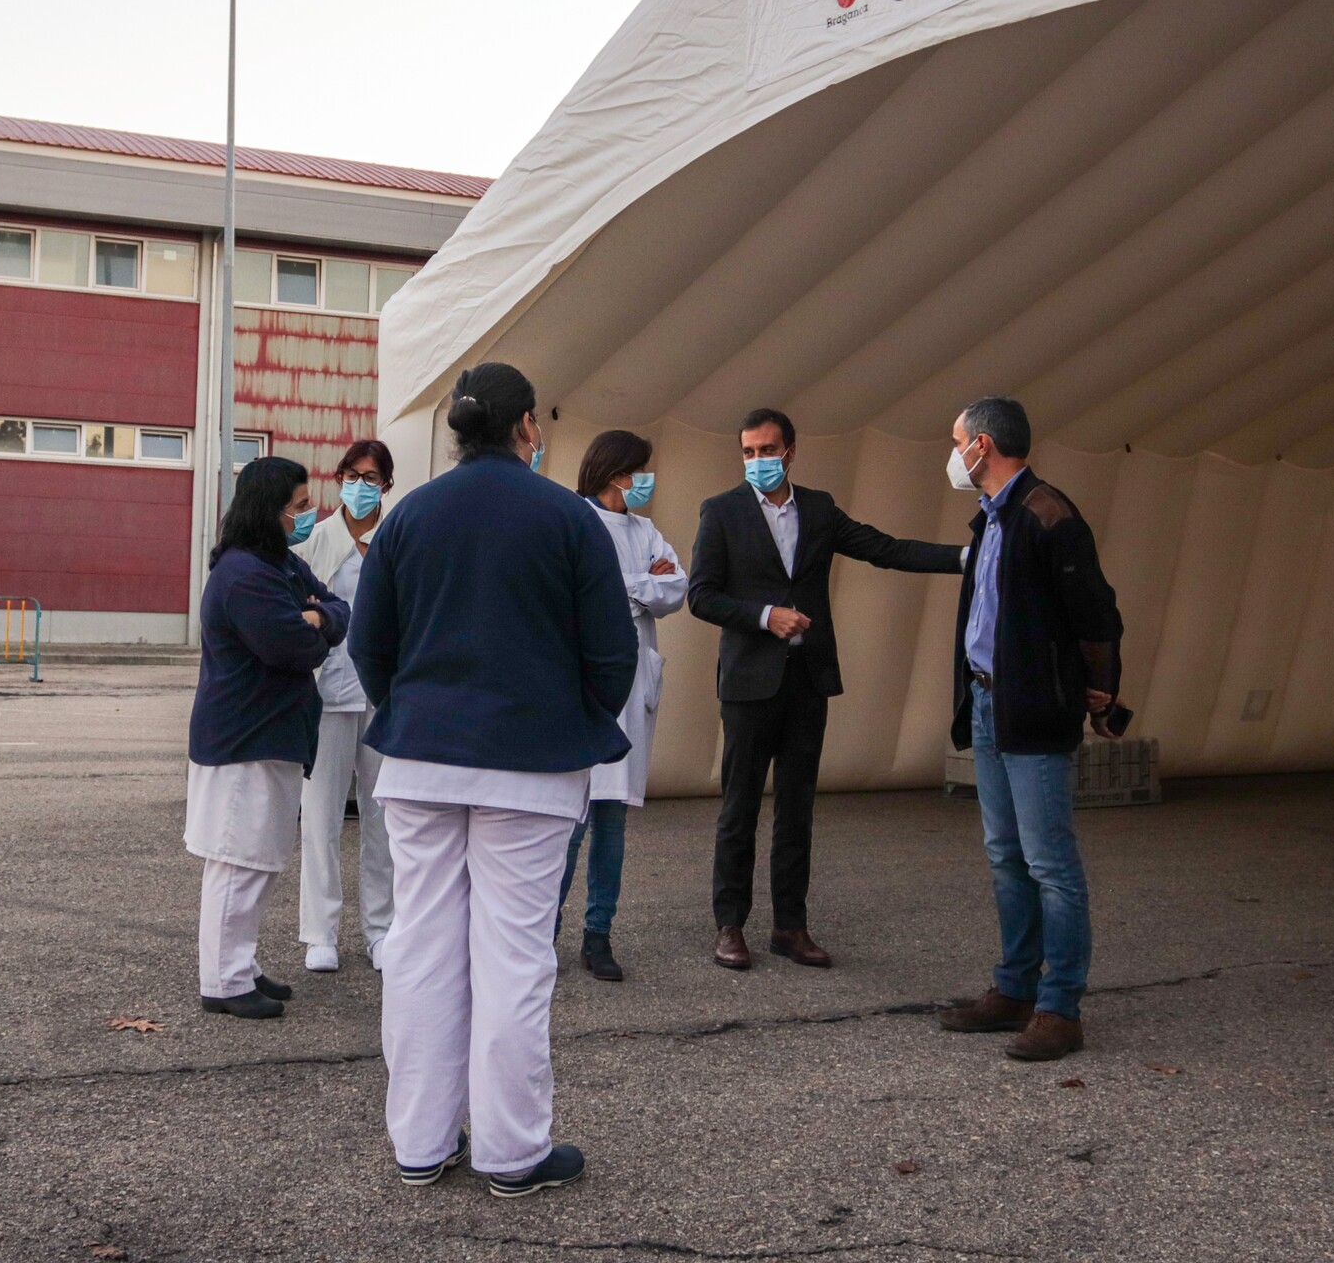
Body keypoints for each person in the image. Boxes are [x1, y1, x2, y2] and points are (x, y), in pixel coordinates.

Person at [349, 361, 636, 1197]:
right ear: (527, 429)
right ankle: (512, 1153)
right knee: (513, 957)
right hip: (532, 766)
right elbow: (611, 652)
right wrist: (574, 720)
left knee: (421, 950)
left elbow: (371, 644)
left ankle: (420, 1143)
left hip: (418, 758)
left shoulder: (409, 516)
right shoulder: (568, 517)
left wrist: (410, 713)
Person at [688, 407, 964, 972]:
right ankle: (729, 926)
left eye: (767, 450)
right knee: (739, 807)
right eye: (748, 452)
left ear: (790, 450)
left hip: (807, 679)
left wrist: (965, 557)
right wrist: (766, 616)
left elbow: (882, 548)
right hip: (748, 683)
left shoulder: (817, 507)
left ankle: (791, 926)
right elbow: (701, 595)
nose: (758, 461)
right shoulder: (720, 512)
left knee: (797, 808)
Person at [935, 396, 1125, 1064]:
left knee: (1050, 864)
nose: (954, 454)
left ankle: (1059, 1008)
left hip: (1035, 708)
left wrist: (1101, 690)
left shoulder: (1048, 515)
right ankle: (1014, 990)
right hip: (991, 704)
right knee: (1005, 855)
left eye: (958, 441)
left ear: (983, 446)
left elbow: (1096, 610)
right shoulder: (992, 519)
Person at [185, 455, 350, 1020]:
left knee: (260, 858)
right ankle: (225, 981)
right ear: (268, 509)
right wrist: (312, 625)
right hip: (244, 738)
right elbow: (290, 648)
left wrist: (318, 617)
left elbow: (338, 608)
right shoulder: (244, 575)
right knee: (238, 859)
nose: (306, 516)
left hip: (272, 733)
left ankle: (241, 963)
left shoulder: (277, 564)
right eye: (298, 507)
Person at [558, 428, 687, 982]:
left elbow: (678, 588)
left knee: (612, 819)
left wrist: (624, 586)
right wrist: (640, 584)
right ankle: (541, 933)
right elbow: (574, 592)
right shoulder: (573, 520)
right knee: (569, 822)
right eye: (641, 470)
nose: (646, 481)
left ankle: (598, 934)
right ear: (617, 473)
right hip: (580, 689)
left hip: (633, 688)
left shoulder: (646, 530)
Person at [297, 439, 397, 973]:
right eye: (354, 475)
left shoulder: (396, 540)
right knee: (321, 818)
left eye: (373, 477)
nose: (362, 485)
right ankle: (320, 933)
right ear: (340, 479)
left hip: (382, 695)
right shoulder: (316, 542)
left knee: (384, 818)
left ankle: (381, 930)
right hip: (327, 694)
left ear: (387, 485)